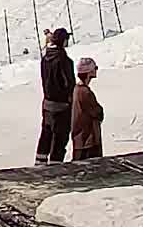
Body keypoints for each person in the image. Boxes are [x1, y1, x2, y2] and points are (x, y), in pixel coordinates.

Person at [36, 29, 75, 164]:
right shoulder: (64, 60)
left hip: (47, 103)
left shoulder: (45, 59)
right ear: (63, 41)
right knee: (60, 138)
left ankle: (39, 163)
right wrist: (71, 99)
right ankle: (55, 166)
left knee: (46, 134)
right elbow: (69, 83)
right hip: (62, 105)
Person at [70, 57, 105, 161]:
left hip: (80, 139)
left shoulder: (76, 90)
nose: (96, 70)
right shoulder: (85, 92)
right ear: (89, 72)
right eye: (95, 68)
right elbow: (97, 112)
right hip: (87, 141)